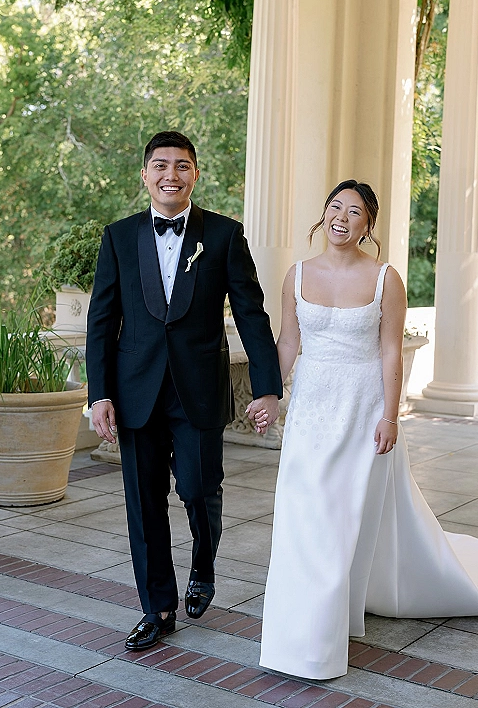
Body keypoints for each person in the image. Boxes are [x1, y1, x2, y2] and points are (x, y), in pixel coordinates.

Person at [258, 179, 478, 680]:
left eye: (354, 211)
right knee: (301, 517)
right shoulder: (297, 274)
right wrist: (270, 392)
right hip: (310, 409)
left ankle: (315, 645)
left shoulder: (385, 278)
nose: (341, 217)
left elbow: (391, 351)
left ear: (369, 225)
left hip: (361, 406)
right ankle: (304, 628)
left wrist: (390, 417)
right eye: (334, 207)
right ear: (322, 214)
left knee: (338, 521)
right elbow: (288, 341)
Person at [86, 130, 283, 651]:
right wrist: (98, 393)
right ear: (145, 174)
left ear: (196, 173)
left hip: (198, 388)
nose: (170, 174)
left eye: (181, 165)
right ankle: (158, 608)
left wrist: (266, 387)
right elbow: (102, 320)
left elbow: (251, 312)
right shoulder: (118, 237)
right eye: (160, 165)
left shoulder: (222, 235)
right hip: (135, 391)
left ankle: (203, 565)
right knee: (143, 502)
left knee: (198, 490)